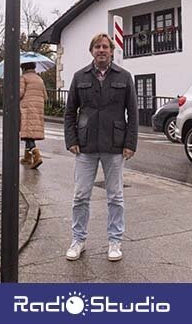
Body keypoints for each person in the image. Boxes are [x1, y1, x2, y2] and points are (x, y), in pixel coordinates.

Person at [63, 33, 138, 262]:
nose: (102, 50)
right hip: (85, 146)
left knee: (115, 196)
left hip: (115, 146)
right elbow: (69, 112)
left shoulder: (125, 77)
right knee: (80, 195)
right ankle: (78, 240)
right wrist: (72, 140)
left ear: (112, 51)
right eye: (97, 46)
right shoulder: (79, 77)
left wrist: (130, 143)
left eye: (105, 46)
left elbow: (132, 114)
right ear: (92, 51)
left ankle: (114, 242)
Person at [19, 62, 47, 169]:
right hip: (38, 108)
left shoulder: (24, 78)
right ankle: (27, 158)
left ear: (24, 68)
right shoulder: (39, 79)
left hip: (27, 108)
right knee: (30, 132)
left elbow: (20, 93)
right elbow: (45, 96)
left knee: (27, 133)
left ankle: (36, 155)